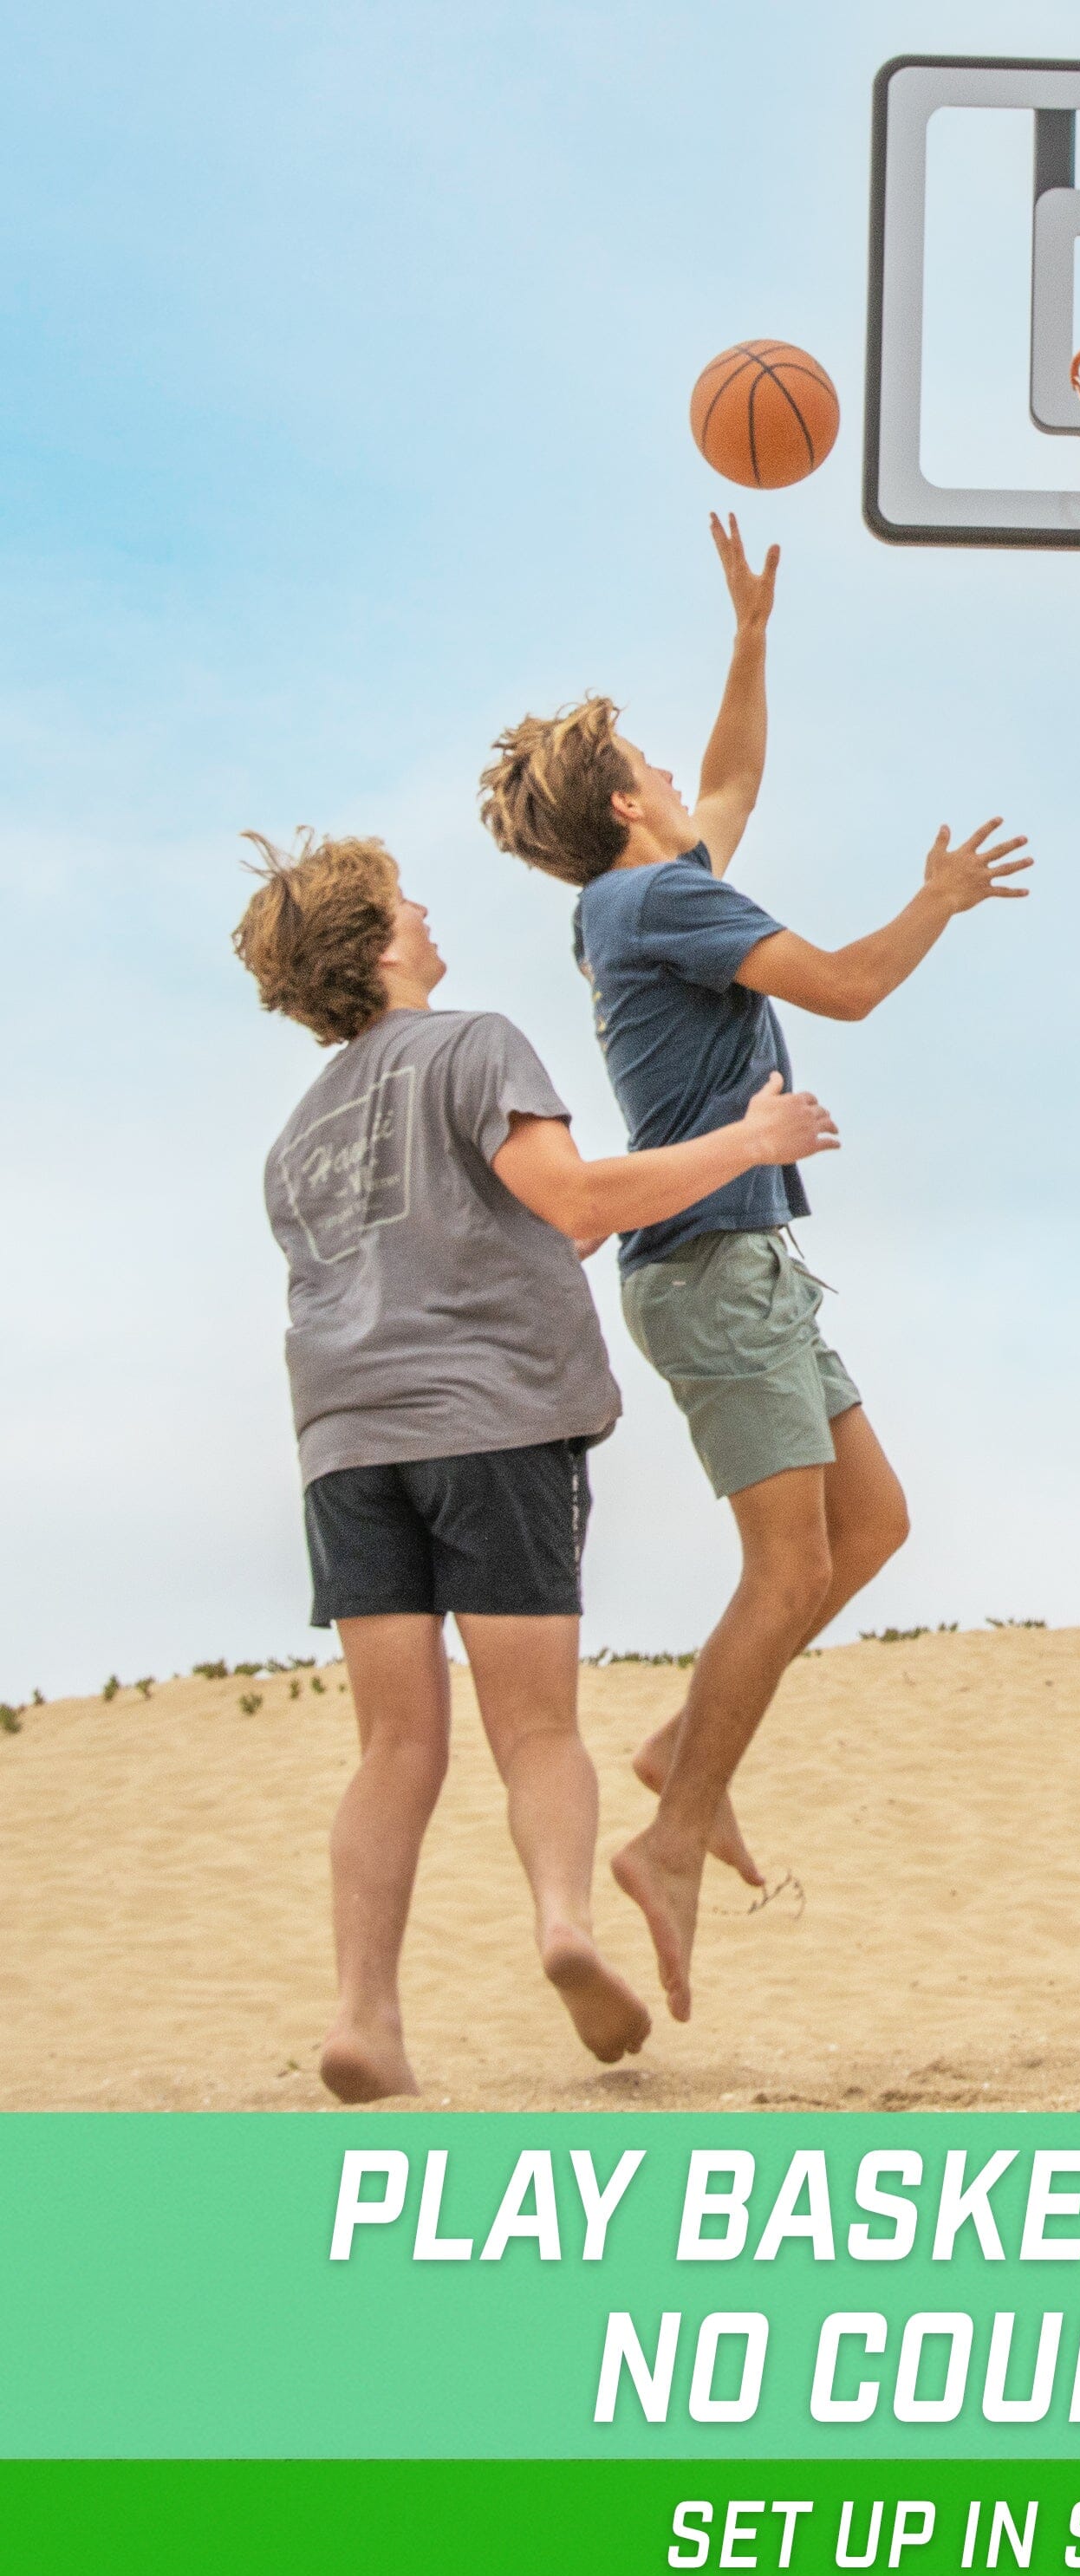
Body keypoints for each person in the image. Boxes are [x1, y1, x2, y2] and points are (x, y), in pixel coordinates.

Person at [477, 514, 1033, 2025]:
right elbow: (846, 987)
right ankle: (667, 1835)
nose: (673, 773)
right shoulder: (658, 901)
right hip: (712, 1264)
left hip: (741, 1265)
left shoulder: (641, 894)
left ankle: (684, 1761)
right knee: (789, 1565)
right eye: (643, 762)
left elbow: (728, 781)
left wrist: (749, 636)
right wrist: (942, 898)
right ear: (616, 798)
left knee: (874, 1526)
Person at [237, 829, 836, 2103]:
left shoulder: (297, 1138)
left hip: (344, 1450)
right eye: (406, 901)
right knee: (537, 1730)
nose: (428, 911)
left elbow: (454, 1248)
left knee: (394, 1745)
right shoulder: (473, 1044)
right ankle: (564, 1921)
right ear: (377, 940)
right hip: (490, 1427)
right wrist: (750, 1140)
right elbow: (573, 1202)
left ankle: (365, 2018)